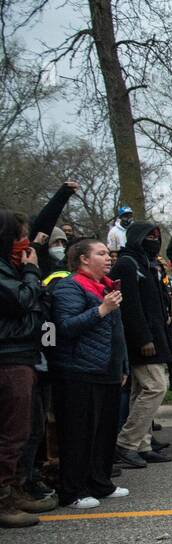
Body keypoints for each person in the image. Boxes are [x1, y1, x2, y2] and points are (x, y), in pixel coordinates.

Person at [49, 239, 131, 508]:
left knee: (104, 432)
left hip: (107, 370)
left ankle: (100, 482)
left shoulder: (107, 286)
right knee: (79, 433)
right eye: (101, 253)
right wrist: (102, 309)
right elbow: (66, 327)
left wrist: (122, 367)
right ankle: (72, 491)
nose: (109, 258)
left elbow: (118, 333)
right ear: (84, 259)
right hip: (79, 371)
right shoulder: (69, 287)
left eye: (108, 253)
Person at [0, 209, 53, 527]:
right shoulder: (9, 273)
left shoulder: (11, 268)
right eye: (21, 236)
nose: (26, 242)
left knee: (25, 431)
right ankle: (3, 499)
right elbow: (22, 301)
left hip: (23, 356)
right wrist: (32, 272)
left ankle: (15, 488)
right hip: (8, 359)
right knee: (11, 434)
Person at [109, 221, 172, 468]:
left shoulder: (147, 263)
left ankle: (142, 444)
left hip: (154, 335)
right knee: (156, 387)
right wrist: (143, 338)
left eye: (157, 236)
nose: (155, 241)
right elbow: (131, 306)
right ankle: (126, 443)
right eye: (150, 236)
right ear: (137, 238)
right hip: (142, 339)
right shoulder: (128, 263)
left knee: (140, 391)